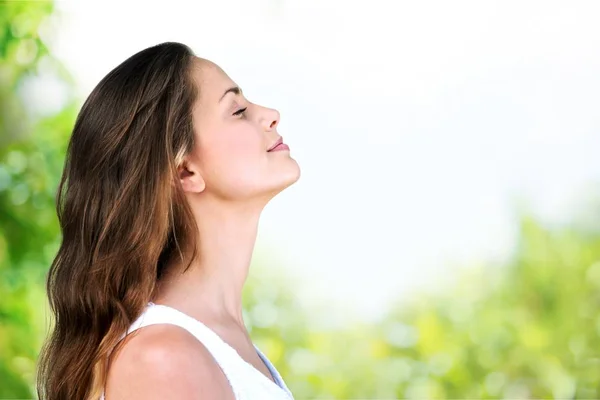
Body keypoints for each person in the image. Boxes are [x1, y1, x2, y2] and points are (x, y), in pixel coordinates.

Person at [36, 42, 300, 400]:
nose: (270, 114)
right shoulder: (162, 358)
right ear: (185, 171)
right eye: (237, 110)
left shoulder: (218, 347)